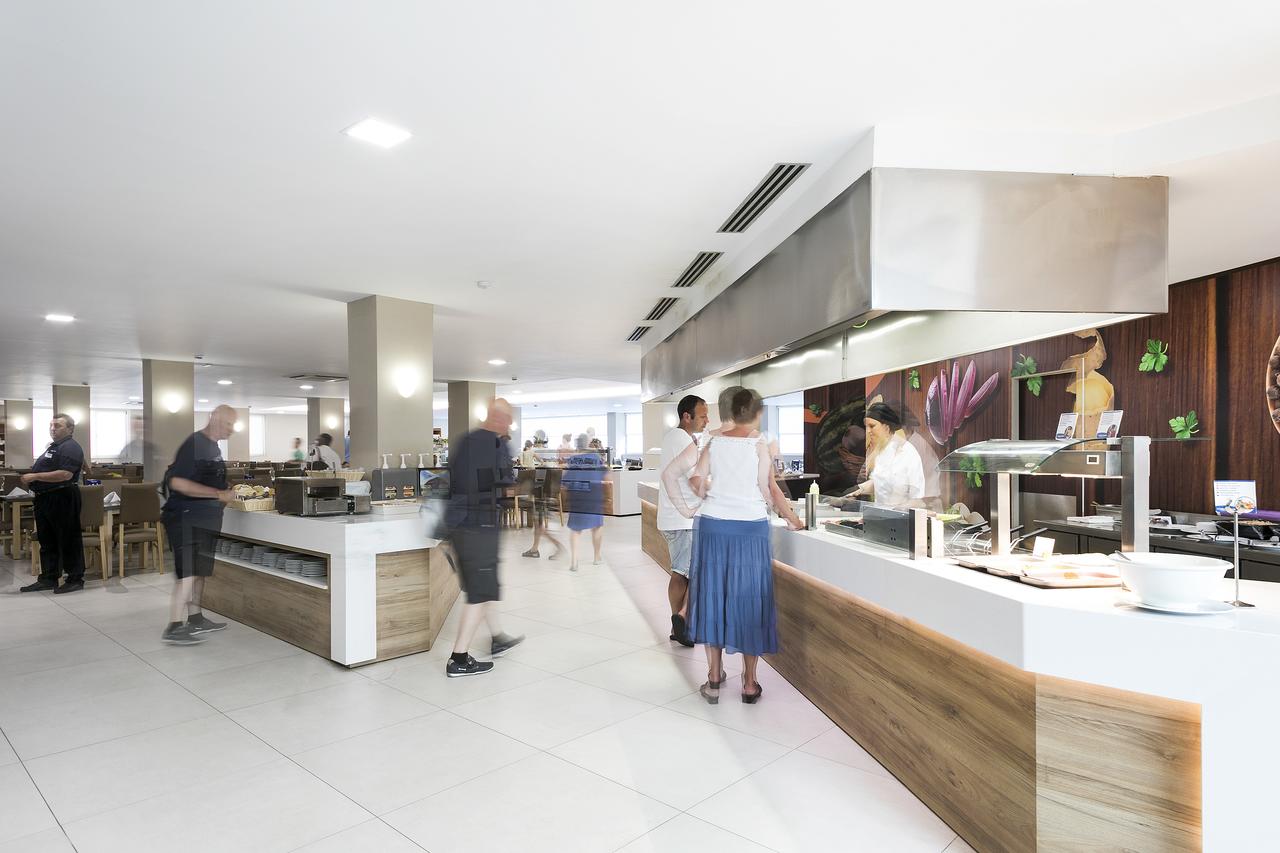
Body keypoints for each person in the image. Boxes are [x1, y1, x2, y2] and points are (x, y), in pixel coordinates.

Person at [663, 388, 802, 704]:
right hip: (750, 528)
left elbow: (694, 480)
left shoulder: (712, 441)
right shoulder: (759, 443)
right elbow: (770, 490)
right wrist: (793, 520)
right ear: (754, 413)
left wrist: (704, 500)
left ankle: (714, 677)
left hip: (713, 525)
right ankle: (749, 683)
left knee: (712, 595)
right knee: (749, 599)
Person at [444, 398, 524, 677]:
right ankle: (458, 658)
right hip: (480, 526)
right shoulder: (497, 445)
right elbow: (505, 482)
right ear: (500, 419)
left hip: (458, 525)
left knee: (482, 585)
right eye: (509, 419)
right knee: (480, 591)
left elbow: (452, 479)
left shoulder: (464, 441)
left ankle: (497, 637)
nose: (510, 425)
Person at [160, 406, 237, 644]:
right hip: (186, 516)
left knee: (200, 570)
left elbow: (208, 479)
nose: (231, 430)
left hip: (205, 517)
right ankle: (174, 626)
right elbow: (178, 483)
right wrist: (218, 494)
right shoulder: (195, 444)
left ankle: (195, 618)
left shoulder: (213, 447)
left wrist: (225, 491)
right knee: (188, 571)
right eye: (228, 424)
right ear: (214, 419)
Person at [657, 394, 708, 647]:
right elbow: (695, 479)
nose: (707, 421)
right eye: (702, 416)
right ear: (686, 416)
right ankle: (681, 622)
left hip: (674, 517)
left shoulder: (673, 437)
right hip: (683, 520)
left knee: (682, 572)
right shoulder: (682, 439)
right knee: (684, 574)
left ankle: (678, 624)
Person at [20, 413, 87, 594]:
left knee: (68, 539)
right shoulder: (54, 447)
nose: (52, 429)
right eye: (51, 425)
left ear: (70, 429)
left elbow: (65, 474)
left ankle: (75, 578)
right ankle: (49, 577)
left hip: (62, 496)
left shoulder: (71, 447)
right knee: (47, 540)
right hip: (45, 498)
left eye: (57, 425)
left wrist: (35, 476)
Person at [850, 402, 926, 508]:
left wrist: (896, 510)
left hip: (900, 515)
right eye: (866, 426)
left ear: (886, 427)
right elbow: (880, 482)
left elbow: (917, 501)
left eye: (872, 426)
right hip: (879, 514)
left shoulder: (908, 453)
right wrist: (857, 491)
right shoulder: (881, 450)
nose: (868, 431)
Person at [563, 434, 605, 571]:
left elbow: (565, 481)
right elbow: (604, 475)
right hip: (593, 495)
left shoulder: (572, 460)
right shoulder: (596, 458)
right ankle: (597, 557)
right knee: (597, 526)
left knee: (576, 529)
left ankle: (574, 561)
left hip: (577, 496)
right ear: (588, 444)